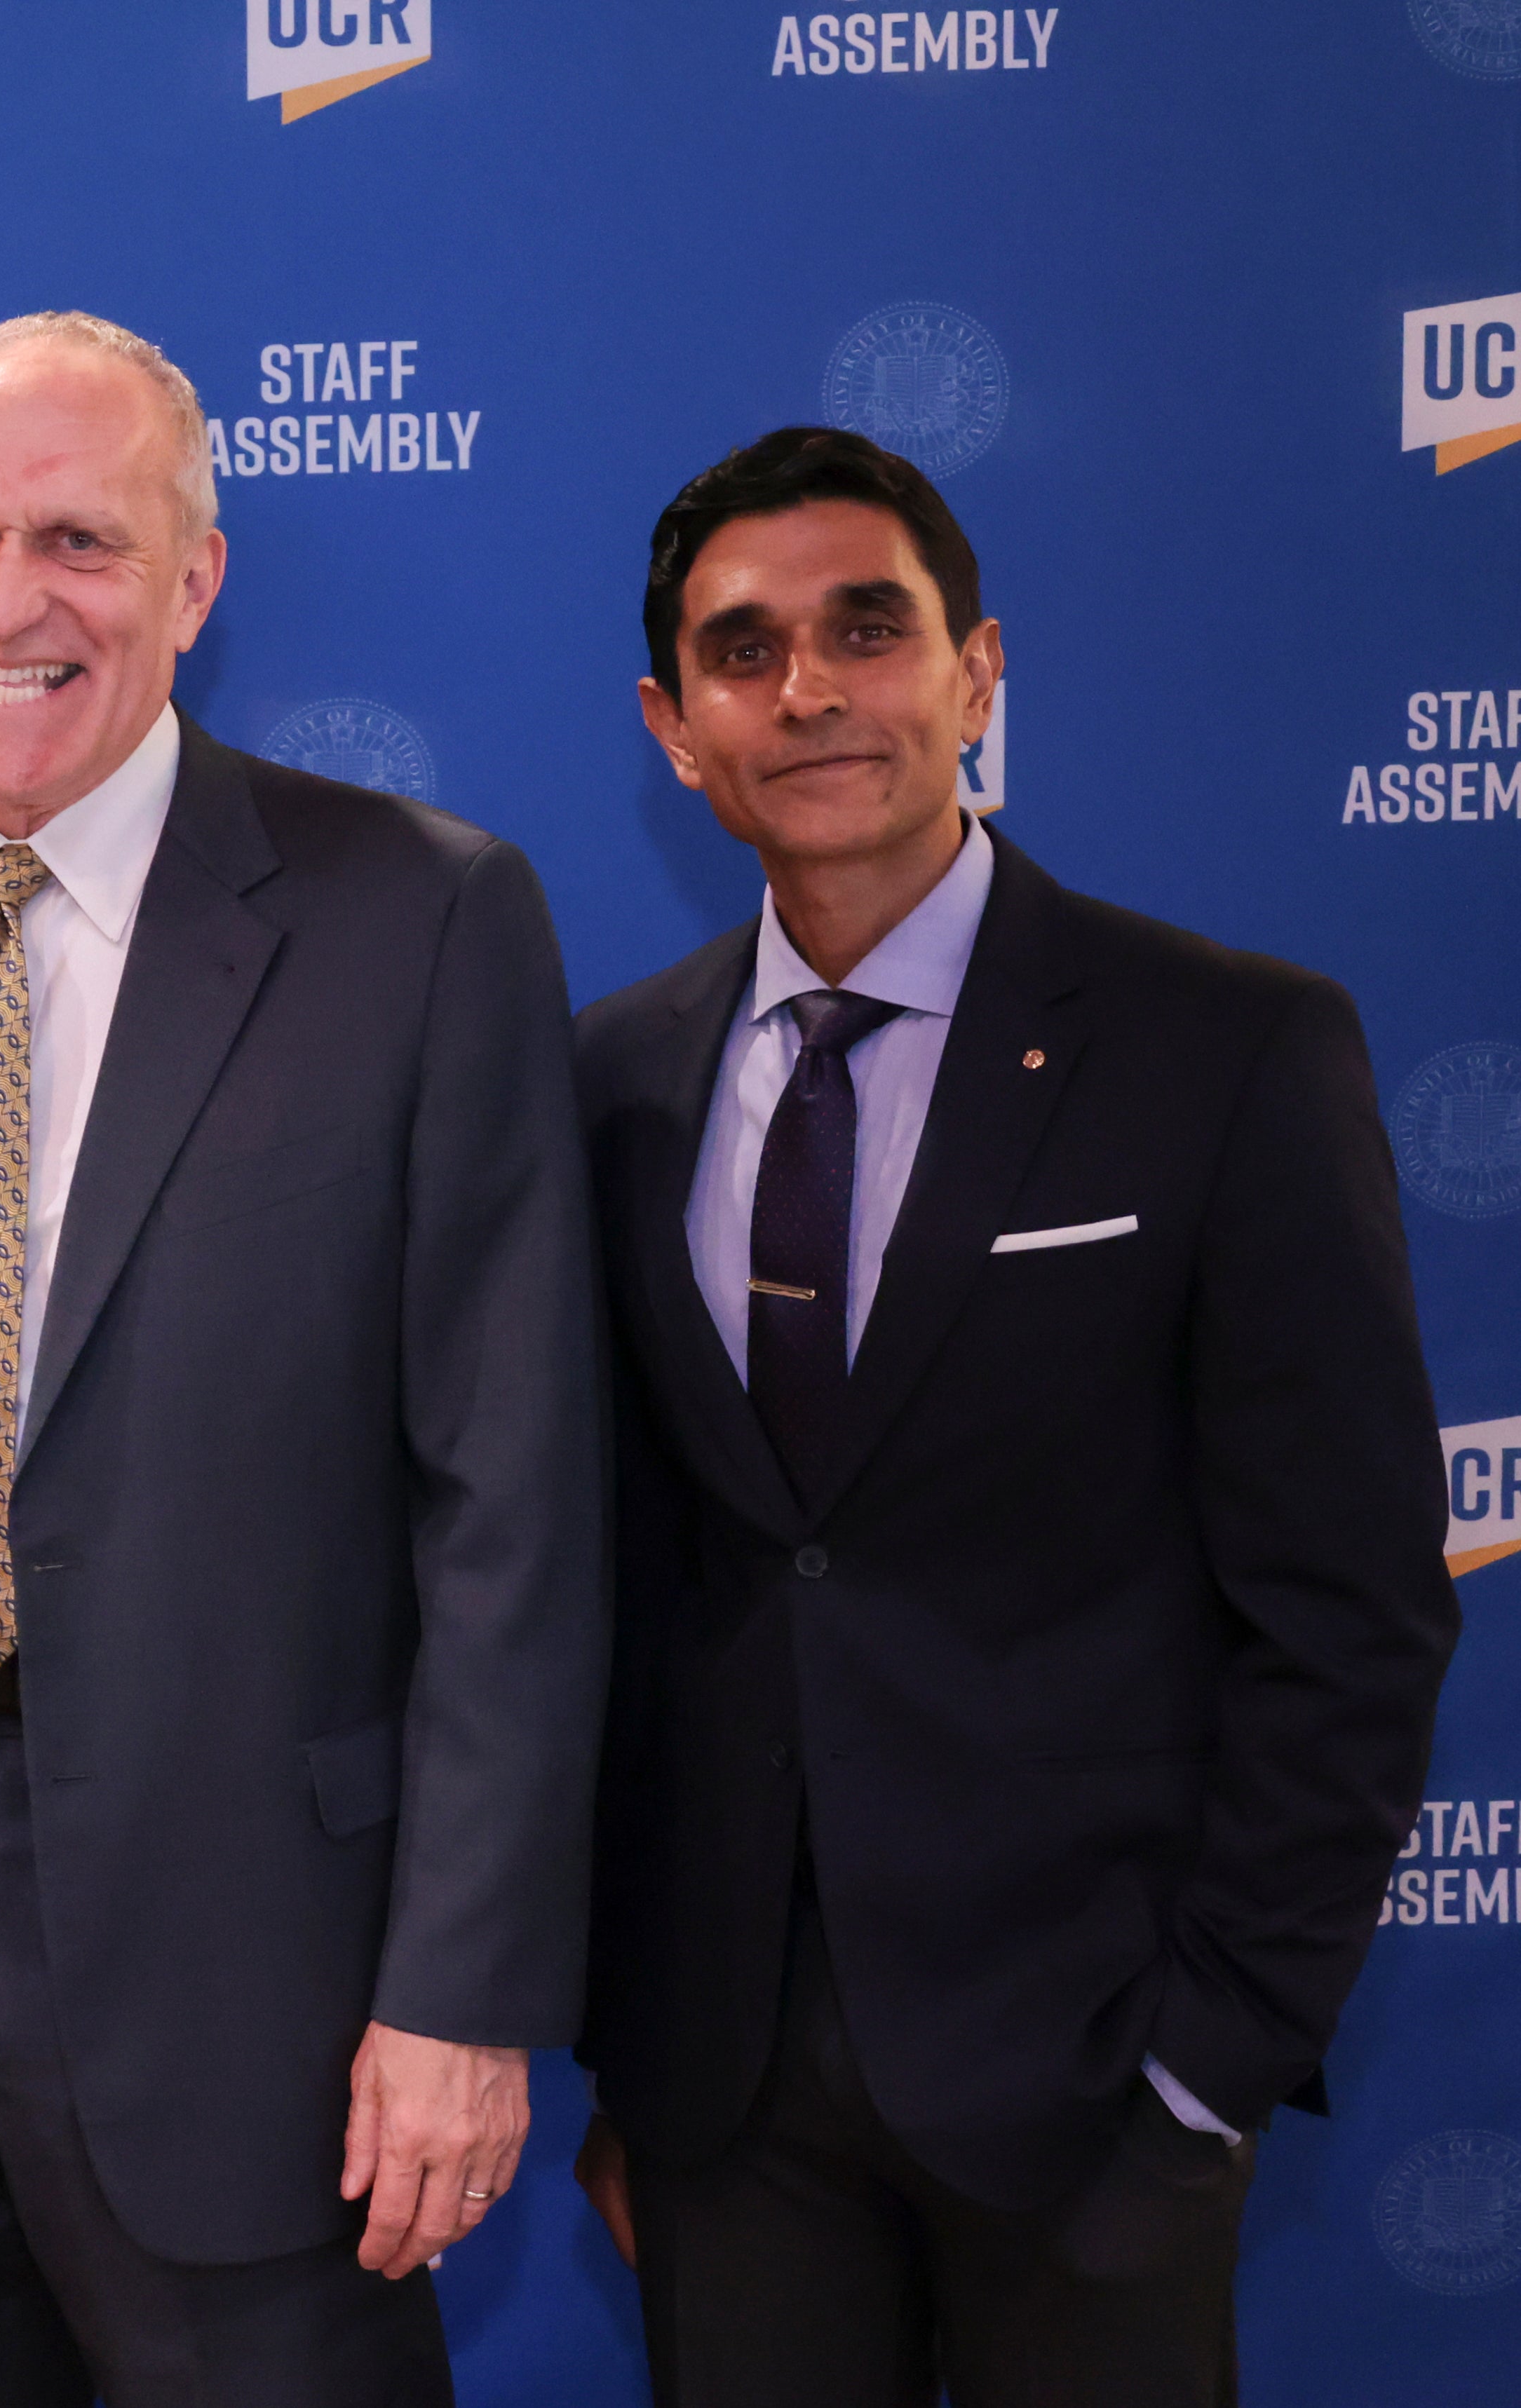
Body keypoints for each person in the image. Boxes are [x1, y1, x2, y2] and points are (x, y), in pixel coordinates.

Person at [0, 311, 607, 2407]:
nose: (8, 602)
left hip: (261, 1976)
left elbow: (516, 1504)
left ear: (198, 576)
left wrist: (464, 1988)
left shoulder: (419, 920)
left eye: (79, 538)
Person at [572, 425, 1459, 2404]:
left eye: (867, 628)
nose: (808, 687)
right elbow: (622, 1589)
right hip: (728, 2110)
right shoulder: (607, 1084)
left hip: (1097, 2085)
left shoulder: (1228, 1046)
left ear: (979, 672)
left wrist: (1205, 2063)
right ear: (672, 726)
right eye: (744, 650)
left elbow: (1354, 1612)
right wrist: (639, 2063)